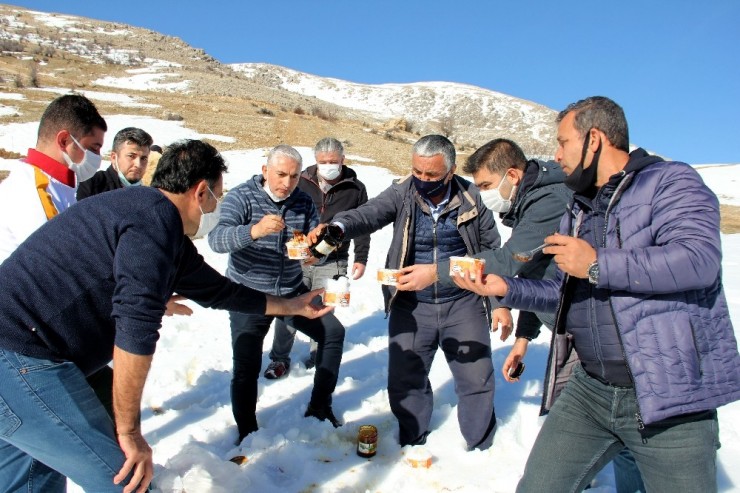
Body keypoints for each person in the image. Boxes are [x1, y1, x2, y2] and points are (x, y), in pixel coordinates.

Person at [0, 139, 332, 493]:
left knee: (33, 482)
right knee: (127, 481)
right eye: (217, 198)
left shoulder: (156, 223)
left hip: (27, 355)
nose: (216, 208)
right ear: (200, 192)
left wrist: (293, 305)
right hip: (21, 358)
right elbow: (135, 331)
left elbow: (221, 292)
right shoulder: (151, 225)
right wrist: (129, 432)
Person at [453, 96, 740, 491]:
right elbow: (563, 293)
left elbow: (698, 260)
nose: (556, 154)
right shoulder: (580, 208)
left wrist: (596, 263)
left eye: (562, 142)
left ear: (594, 139)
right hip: (592, 388)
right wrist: (507, 288)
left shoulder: (671, 181)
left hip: (669, 393)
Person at [323, 134, 501, 450]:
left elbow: (492, 252)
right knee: (405, 379)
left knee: (477, 380)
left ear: (451, 170)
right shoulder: (403, 192)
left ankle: (480, 446)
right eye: (417, 172)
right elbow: (369, 213)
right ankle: (412, 438)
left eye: (431, 175)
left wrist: (497, 302)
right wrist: (340, 226)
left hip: (463, 303)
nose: (422, 180)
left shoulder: (472, 198)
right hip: (411, 304)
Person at [396, 138, 571, 380]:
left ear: (512, 175)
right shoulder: (531, 200)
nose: (483, 194)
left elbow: (509, 260)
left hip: (584, 328)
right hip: (566, 323)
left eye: (487, 185)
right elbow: (536, 272)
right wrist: (523, 339)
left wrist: (437, 272)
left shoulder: (548, 201)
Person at [208, 144, 346, 442]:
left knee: (332, 332)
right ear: (265, 171)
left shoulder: (303, 202)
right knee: (246, 367)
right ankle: (247, 430)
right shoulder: (241, 197)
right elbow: (216, 241)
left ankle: (320, 406)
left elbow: (311, 251)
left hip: (291, 291)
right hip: (249, 294)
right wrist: (253, 231)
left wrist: (315, 250)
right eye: (280, 174)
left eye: (294, 176)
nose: (287, 183)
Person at [266, 137, 371, 376]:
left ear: (343, 160)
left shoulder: (355, 188)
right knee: (289, 308)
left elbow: (363, 224)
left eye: (333, 161)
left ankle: (317, 354)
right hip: (299, 256)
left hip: (334, 258)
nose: (328, 165)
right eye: (323, 161)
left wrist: (361, 257)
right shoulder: (300, 180)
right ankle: (279, 359)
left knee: (322, 309)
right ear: (315, 161)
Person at [0, 93, 106, 263]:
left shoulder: (58, 185)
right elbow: (56, 266)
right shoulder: (33, 191)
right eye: (93, 148)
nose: (97, 158)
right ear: (64, 141)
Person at [76, 126, 153, 199]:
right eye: (131, 156)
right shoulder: (92, 185)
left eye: (143, 158)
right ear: (113, 157)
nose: (138, 164)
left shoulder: (149, 195)